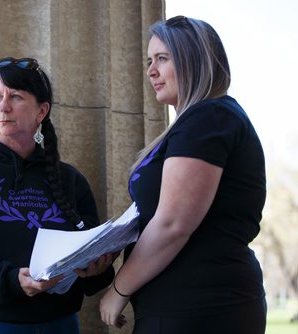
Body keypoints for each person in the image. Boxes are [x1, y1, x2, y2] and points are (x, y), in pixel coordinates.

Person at [100, 16, 267, 334]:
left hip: (202, 308)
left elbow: (173, 224)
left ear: (194, 59)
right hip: (189, 307)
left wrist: (119, 289)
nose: (151, 71)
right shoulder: (202, 120)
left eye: (162, 58)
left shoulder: (208, 117)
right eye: (150, 61)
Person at [0, 57, 116, 334]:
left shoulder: (70, 179)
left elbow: (88, 251)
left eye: (15, 96)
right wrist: (11, 281)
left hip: (61, 323)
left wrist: (96, 270)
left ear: (41, 111)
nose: (3, 106)